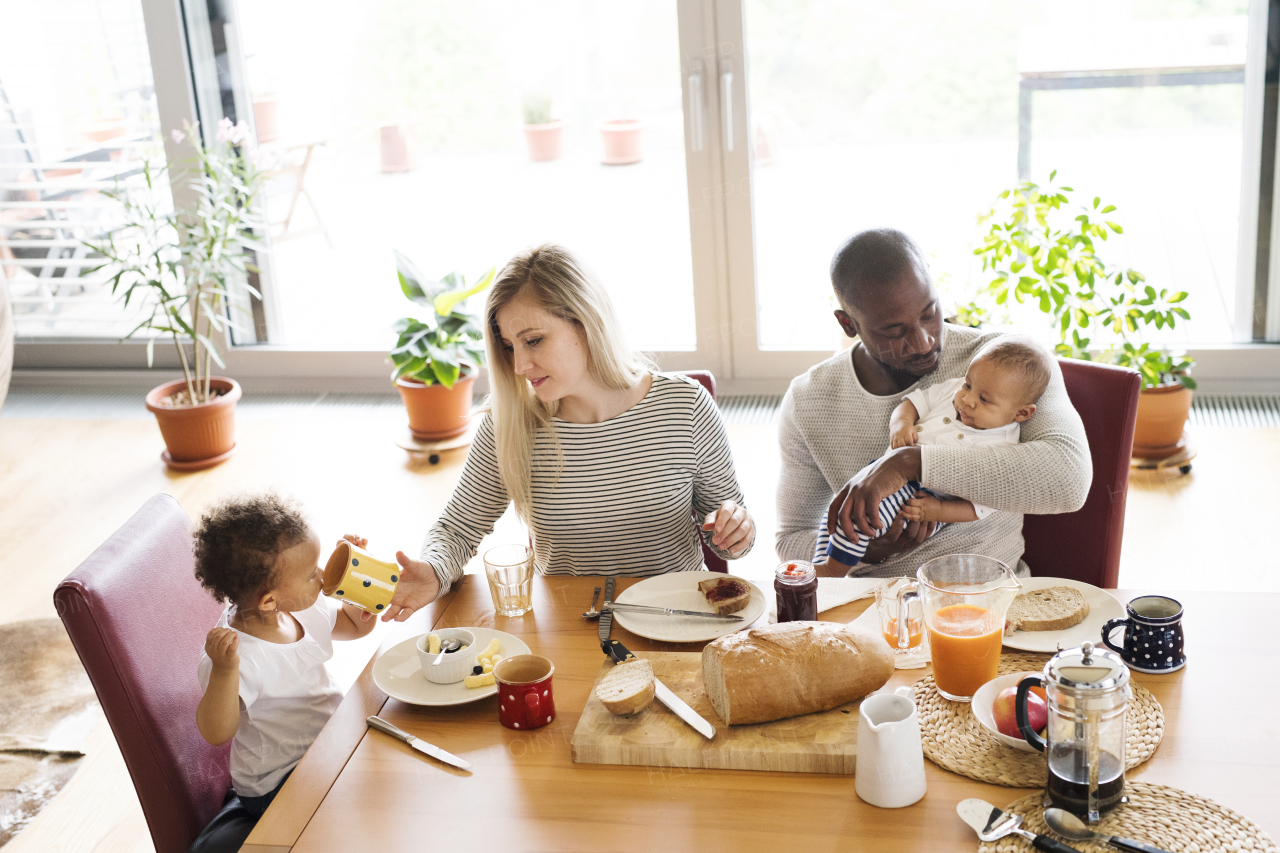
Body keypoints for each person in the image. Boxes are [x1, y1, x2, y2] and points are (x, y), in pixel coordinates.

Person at [381, 243, 755, 621]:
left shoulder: (685, 406)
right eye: (509, 347)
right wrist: (432, 569)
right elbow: (457, 528)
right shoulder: (510, 424)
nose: (520, 365)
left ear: (587, 321)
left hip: (679, 622)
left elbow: (730, 537)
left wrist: (735, 532)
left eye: (533, 340)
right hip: (572, 628)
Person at [777, 227, 1091, 578]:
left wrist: (910, 463)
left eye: (929, 313)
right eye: (895, 332)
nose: (924, 342)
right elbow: (791, 538)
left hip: (989, 601)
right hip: (872, 612)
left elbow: (1070, 481)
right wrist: (867, 550)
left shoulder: (1008, 365)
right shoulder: (808, 400)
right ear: (848, 324)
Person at [187, 493, 377, 853]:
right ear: (269, 600)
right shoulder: (236, 656)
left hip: (328, 742)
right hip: (277, 779)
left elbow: (355, 627)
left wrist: (353, 580)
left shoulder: (302, 607)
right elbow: (216, 731)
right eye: (311, 574)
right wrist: (226, 672)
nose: (321, 578)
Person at [817, 336, 1054, 572]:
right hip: (881, 468)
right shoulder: (952, 389)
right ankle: (820, 565)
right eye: (968, 385)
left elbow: (979, 507)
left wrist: (937, 510)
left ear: (1022, 413)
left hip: (922, 497)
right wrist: (900, 424)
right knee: (840, 506)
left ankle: (832, 572)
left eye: (984, 399)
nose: (967, 400)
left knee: (864, 513)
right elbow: (912, 403)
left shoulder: (1003, 449)